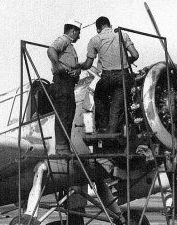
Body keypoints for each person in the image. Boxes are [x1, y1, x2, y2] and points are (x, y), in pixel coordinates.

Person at [79, 16, 139, 133]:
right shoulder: (122, 35)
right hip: (123, 75)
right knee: (116, 107)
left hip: (107, 77)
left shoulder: (94, 40)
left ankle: (103, 126)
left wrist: (78, 66)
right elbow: (135, 55)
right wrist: (126, 61)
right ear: (110, 26)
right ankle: (111, 132)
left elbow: (87, 64)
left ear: (97, 29)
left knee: (99, 96)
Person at [47, 19, 82, 155]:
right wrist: (57, 65)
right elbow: (51, 50)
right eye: (78, 33)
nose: (79, 36)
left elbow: (71, 64)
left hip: (68, 83)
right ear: (73, 31)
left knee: (68, 112)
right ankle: (62, 149)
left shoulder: (70, 46)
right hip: (62, 82)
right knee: (64, 112)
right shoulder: (64, 40)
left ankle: (64, 147)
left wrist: (76, 71)